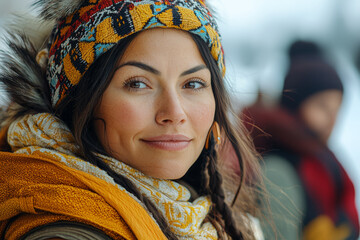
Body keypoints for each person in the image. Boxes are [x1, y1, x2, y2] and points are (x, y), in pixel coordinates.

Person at [0, 0, 262, 239]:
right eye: (137, 84)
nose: (174, 113)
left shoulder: (203, 214)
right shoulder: (65, 231)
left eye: (193, 84)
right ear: (80, 101)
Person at [242, 40, 360, 240]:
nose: (332, 119)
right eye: (322, 106)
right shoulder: (277, 166)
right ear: (295, 104)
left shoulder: (322, 155)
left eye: (336, 109)